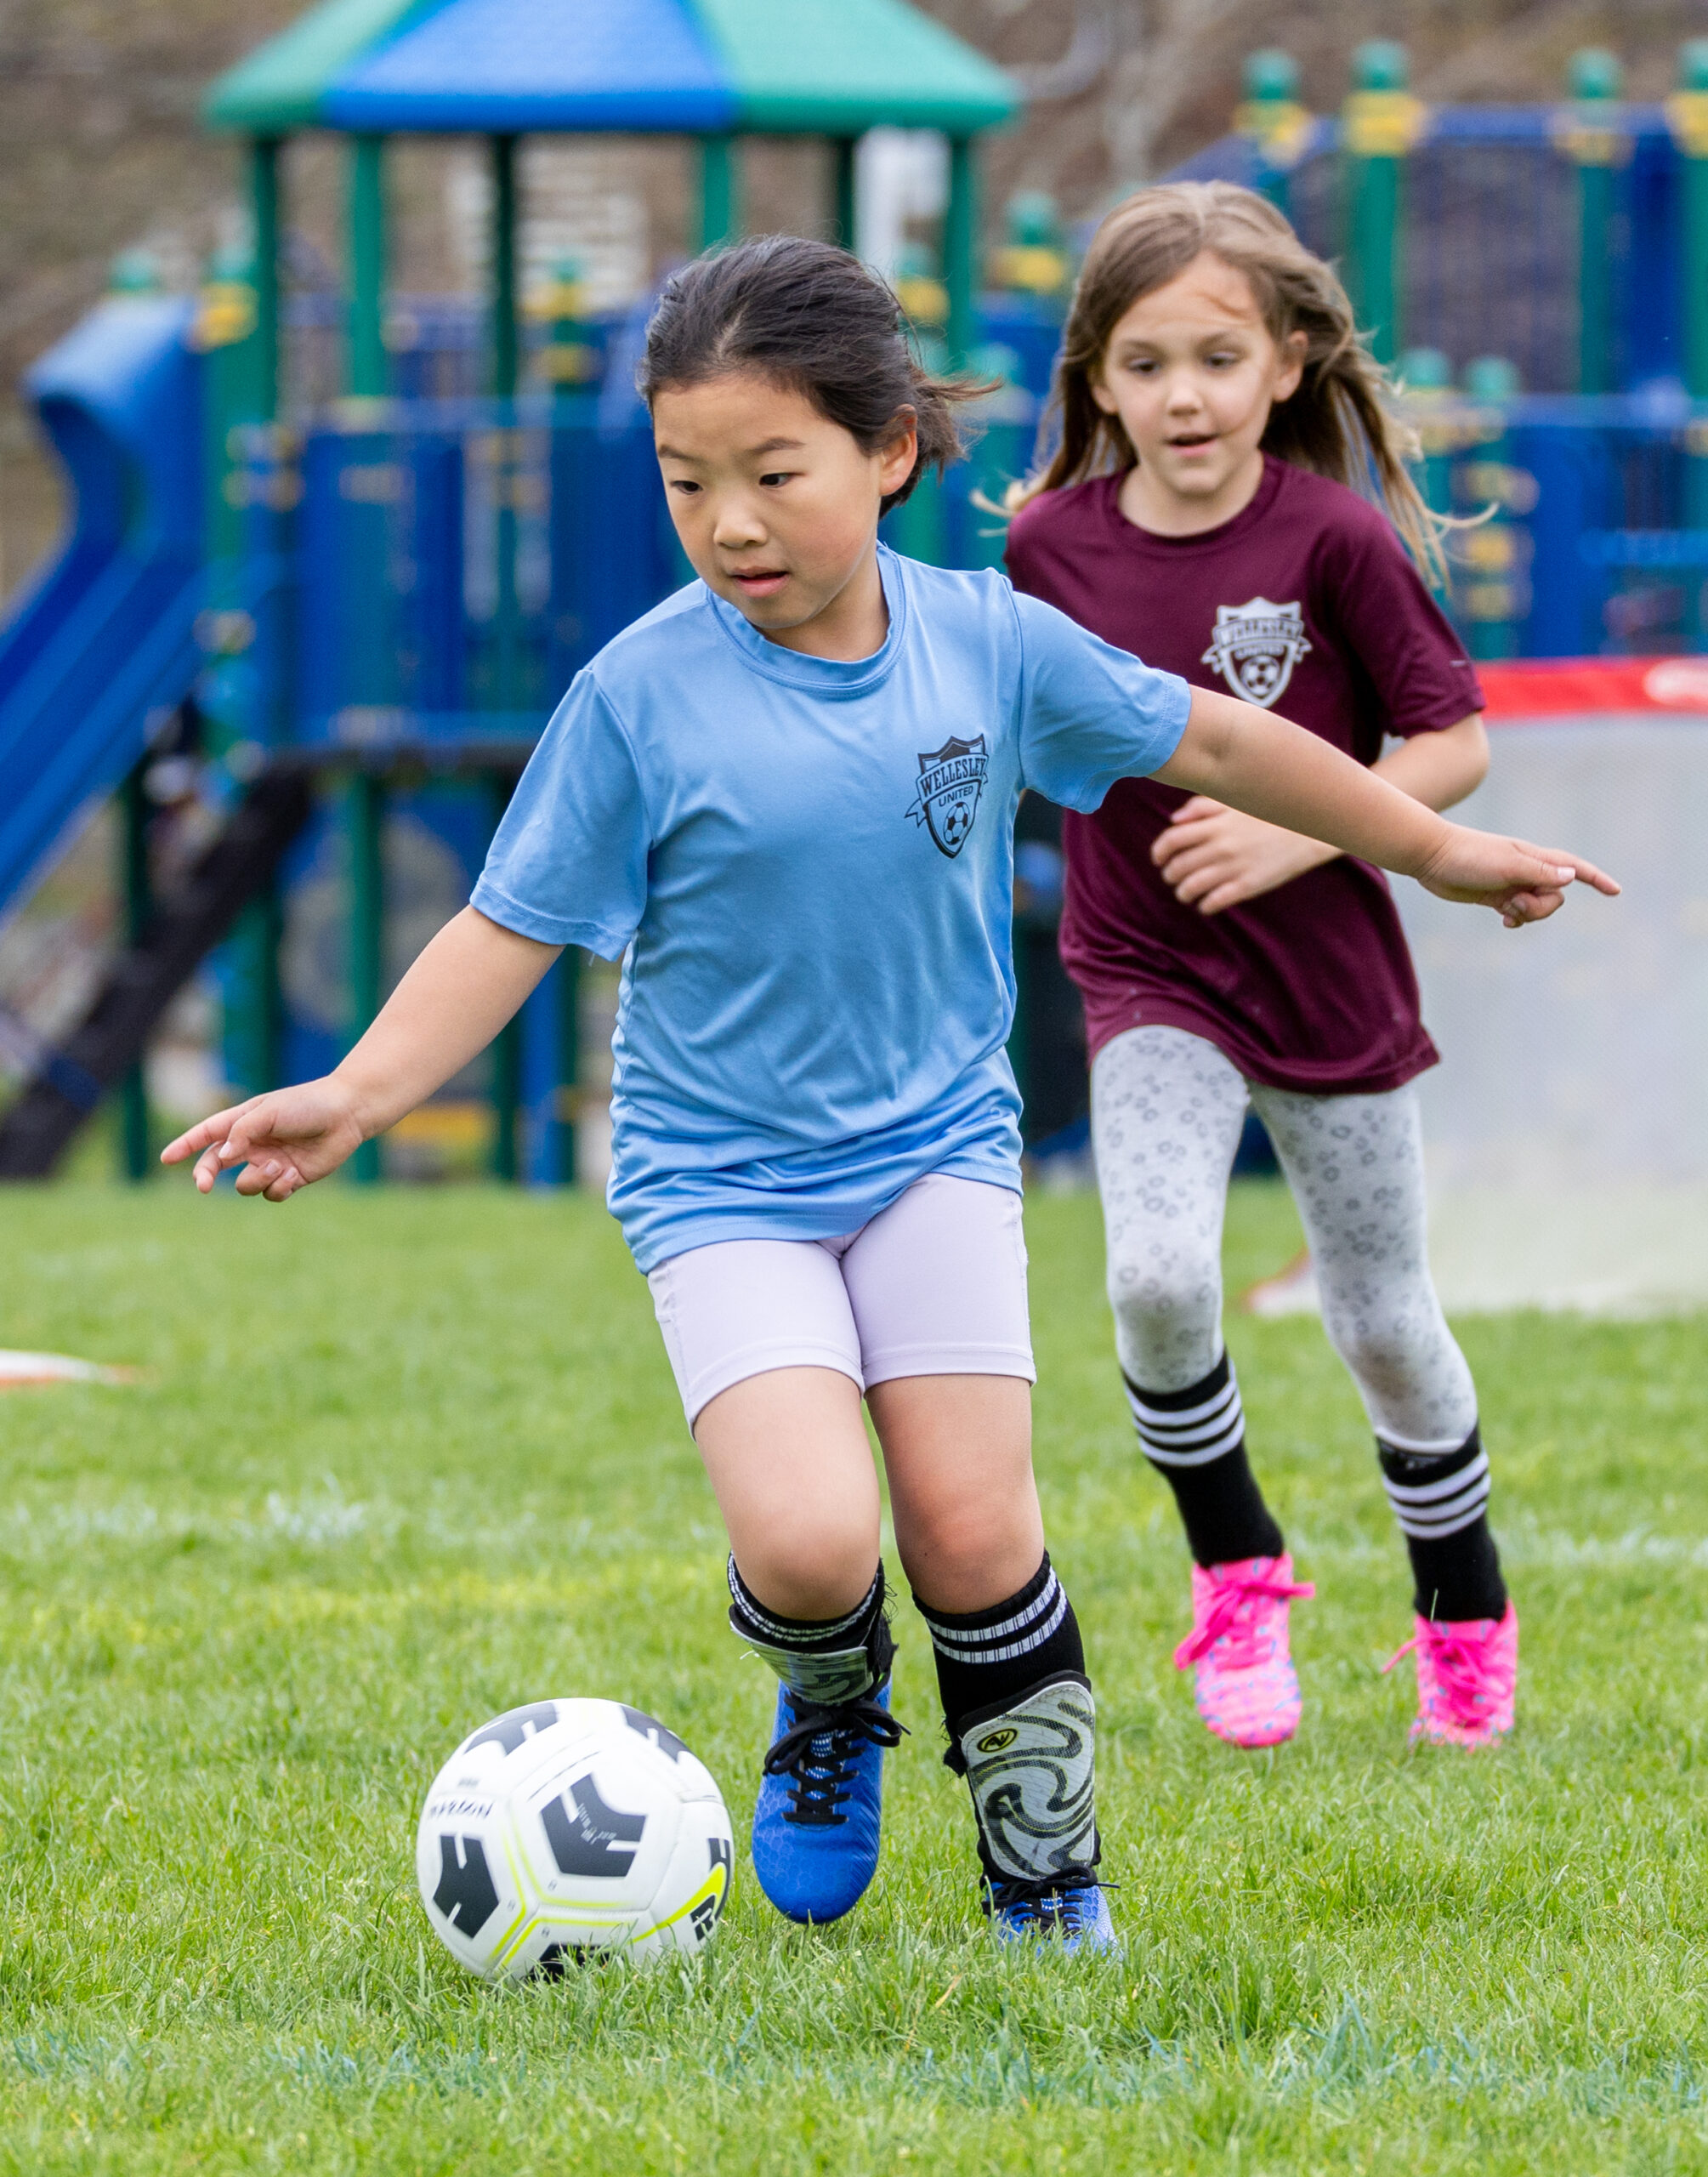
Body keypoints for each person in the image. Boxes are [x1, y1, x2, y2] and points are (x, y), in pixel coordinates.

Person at [165, 236, 1612, 1947]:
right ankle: (832, 1693)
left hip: (933, 1151)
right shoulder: (635, 694)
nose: (730, 522)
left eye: (773, 472)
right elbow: (509, 922)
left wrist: (1433, 844)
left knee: (978, 1523)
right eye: (688, 481)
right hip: (718, 1174)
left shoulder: (991, 646)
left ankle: (1047, 1877)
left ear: (891, 452)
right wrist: (358, 1088)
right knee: (805, 1536)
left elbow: (1218, 741)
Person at [1004, 179, 1552, 1753]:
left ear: (1291, 360)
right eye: (1145, 362)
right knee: (1158, 1276)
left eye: (1217, 358)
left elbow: (1447, 745)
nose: (1183, 395)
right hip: (1143, 976)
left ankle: (1462, 1611)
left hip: (1329, 983)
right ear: (1095, 381)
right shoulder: (1046, 550)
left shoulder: (1331, 536)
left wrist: (1296, 838)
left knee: (1380, 1317)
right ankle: (1236, 1579)